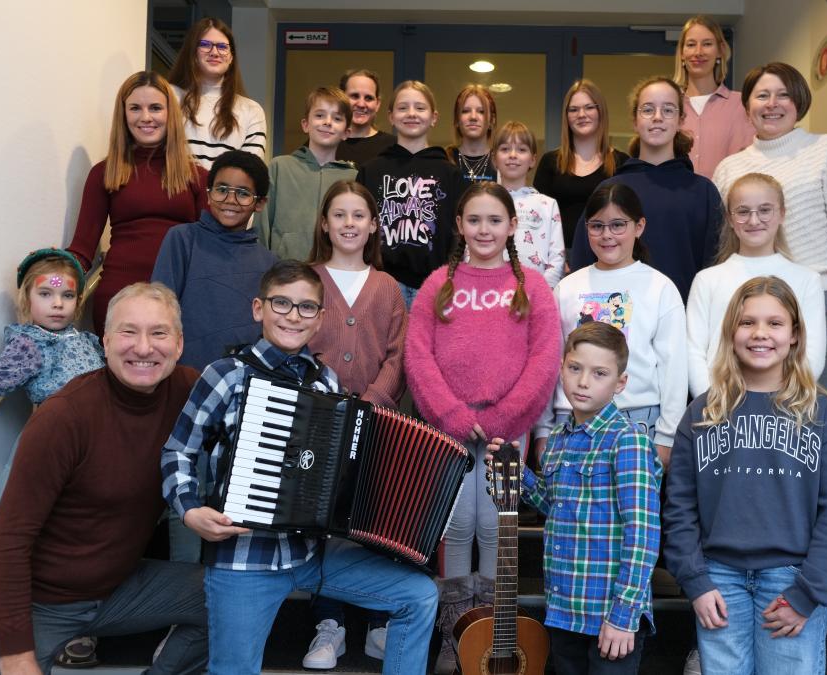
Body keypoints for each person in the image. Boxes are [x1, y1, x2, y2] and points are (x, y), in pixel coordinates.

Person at [160, 260, 437, 675]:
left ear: (320, 318)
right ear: (259, 308)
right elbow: (178, 452)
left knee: (418, 595)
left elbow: (337, 469)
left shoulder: (325, 382)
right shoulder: (226, 375)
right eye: (282, 303)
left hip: (310, 555)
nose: (293, 315)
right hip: (244, 559)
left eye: (307, 307)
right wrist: (190, 510)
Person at [0, 283, 207, 675]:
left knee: (232, 597)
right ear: (104, 342)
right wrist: (17, 653)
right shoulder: (64, 417)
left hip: (115, 590)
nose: (143, 348)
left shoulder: (190, 392)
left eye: (158, 333)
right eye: (128, 332)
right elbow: (7, 544)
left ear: (178, 344)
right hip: (31, 601)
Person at [662, 276, 827, 674]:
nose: (760, 334)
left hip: (792, 579)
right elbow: (678, 508)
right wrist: (696, 582)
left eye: (774, 323)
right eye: (747, 322)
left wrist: (807, 594)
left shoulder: (825, 417)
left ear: (795, 335)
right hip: (718, 581)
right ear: (731, 332)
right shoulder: (701, 414)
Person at [404, 182, 561, 674]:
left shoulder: (531, 286)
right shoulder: (437, 284)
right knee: (455, 527)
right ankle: (455, 636)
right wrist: (450, 415)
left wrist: (502, 419)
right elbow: (418, 356)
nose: (485, 229)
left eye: (495, 220)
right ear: (459, 226)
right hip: (448, 429)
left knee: (495, 527)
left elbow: (545, 358)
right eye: (475, 220)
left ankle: (492, 633)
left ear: (513, 226)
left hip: (504, 429)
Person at [499, 321, 661, 674]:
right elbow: (555, 504)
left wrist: (623, 615)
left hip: (609, 614)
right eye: (575, 369)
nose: (584, 381)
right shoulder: (558, 439)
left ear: (620, 383)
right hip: (565, 608)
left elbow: (643, 535)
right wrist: (519, 474)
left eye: (599, 373)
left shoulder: (627, 441)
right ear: (562, 369)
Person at [712, 62, 827, 395]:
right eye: (762, 96)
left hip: (819, 299)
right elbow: (726, 241)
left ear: (798, 101)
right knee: (750, 407)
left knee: (814, 405)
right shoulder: (729, 168)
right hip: (747, 304)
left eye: (783, 95)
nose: (772, 104)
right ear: (747, 107)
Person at [300, 181, 408, 668]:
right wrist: (327, 405)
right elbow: (293, 342)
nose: (348, 223)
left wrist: (371, 402)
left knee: (369, 520)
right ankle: (330, 625)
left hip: (376, 419)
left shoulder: (386, 287)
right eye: (339, 214)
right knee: (324, 523)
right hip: (318, 422)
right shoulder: (307, 280)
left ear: (373, 224)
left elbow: (398, 354)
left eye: (358, 215)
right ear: (325, 223)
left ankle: (378, 623)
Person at [541, 183, 685, 475]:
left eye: (618, 225)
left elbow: (674, 366)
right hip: (571, 422)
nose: (607, 235)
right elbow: (549, 363)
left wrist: (667, 436)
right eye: (597, 226)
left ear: (639, 226)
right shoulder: (567, 287)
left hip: (638, 421)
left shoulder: (660, 287)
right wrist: (544, 430)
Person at [66, 71, 207, 337]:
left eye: (155, 108)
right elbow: (82, 251)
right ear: (123, 115)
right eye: (135, 108)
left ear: (170, 114)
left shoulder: (198, 177)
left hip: (179, 298)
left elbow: (210, 249)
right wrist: (48, 269)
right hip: (118, 298)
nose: (145, 117)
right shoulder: (103, 173)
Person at [0, 248, 104, 456]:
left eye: (67, 295)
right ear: (27, 299)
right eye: (45, 294)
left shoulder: (87, 341)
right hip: (58, 444)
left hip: (100, 438)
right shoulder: (30, 345)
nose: (58, 304)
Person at [571, 76, 722, 303]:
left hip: (684, 321)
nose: (658, 117)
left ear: (681, 119)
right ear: (635, 120)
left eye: (668, 110)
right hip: (616, 326)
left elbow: (715, 270)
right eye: (648, 110)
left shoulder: (703, 192)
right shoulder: (611, 189)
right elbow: (584, 265)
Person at [687, 172, 825, 398]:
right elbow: (694, 351)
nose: (753, 220)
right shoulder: (708, 279)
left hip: (783, 406)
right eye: (742, 211)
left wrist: (786, 399)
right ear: (730, 219)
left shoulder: (807, 280)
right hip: (719, 405)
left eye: (764, 210)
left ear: (781, 214)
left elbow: (811, 354)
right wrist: (710, 400)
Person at [152, 150, 279, 372]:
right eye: (222, 190)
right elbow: (158, 308)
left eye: (243, 193)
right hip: (182, 375)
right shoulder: (182, 239)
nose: (230, 200)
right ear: (208, 194)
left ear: (260, 203)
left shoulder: (270, 263)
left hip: (242, 382)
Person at [356, 81, 466, 306]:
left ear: (434, 117)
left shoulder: (450, 173)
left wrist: (450, 275)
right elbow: (360, 227)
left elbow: (460, 233)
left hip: (436, 284)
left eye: (420, 107)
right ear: (391, 116)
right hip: (382, 283)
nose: (411, 113)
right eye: (403, 107)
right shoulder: (371, 170)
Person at [259, 87, 357, 260]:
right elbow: (262, 225)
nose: (327, 122)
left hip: (335, 274)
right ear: (305, 124)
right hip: (284, 273)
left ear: (346, 132)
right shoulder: (280, 167)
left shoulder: (353, 178)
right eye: (319, 115)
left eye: (337, 118)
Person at [533, 79, 629, 251]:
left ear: (601, 112)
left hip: (608, 257)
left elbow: (628, 220)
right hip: (559, 259)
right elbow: (539, 219)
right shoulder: (549, 162)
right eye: (574, 110)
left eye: (589, 107)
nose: (581, 114)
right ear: (566, 117)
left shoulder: (621, 163)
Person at [168, 17, 267, 167]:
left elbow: (249, 171)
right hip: (177, 190)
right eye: (205, 45)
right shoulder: (169, 97)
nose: (214, 52)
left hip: (226, 190)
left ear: (231, 57)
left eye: (222, 47)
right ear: (193, 52)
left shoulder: (251, 110)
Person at [674, 15, 755, 179]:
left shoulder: (743, 105)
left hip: (728, 200)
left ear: (720, 51)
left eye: (707, 44)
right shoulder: (669, 107)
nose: (698, 52)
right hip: (675, 200)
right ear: (682, 53)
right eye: (691, 45)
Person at [494, 120, 566, 287]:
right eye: (505, 149)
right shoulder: (484, 203)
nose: (513, 155)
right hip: (492, 294)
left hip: (536, 295)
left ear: (533, 160)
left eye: (521, 149)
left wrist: (538, 292)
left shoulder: (547, 205)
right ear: (494, 159)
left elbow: (557, 258)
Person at [335, 68, 398, 166]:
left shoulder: (394, 147)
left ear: (377, 104)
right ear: (341, 99)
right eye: (354, 96)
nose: (361, 104)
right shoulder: (326, 141)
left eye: (368, 98)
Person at [446, 84, 498, 183]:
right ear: (457, 119)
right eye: (465, 111)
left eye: (481, 111)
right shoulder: (445, 160)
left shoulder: (501, 161)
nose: (473, 117)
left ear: (492, 120)